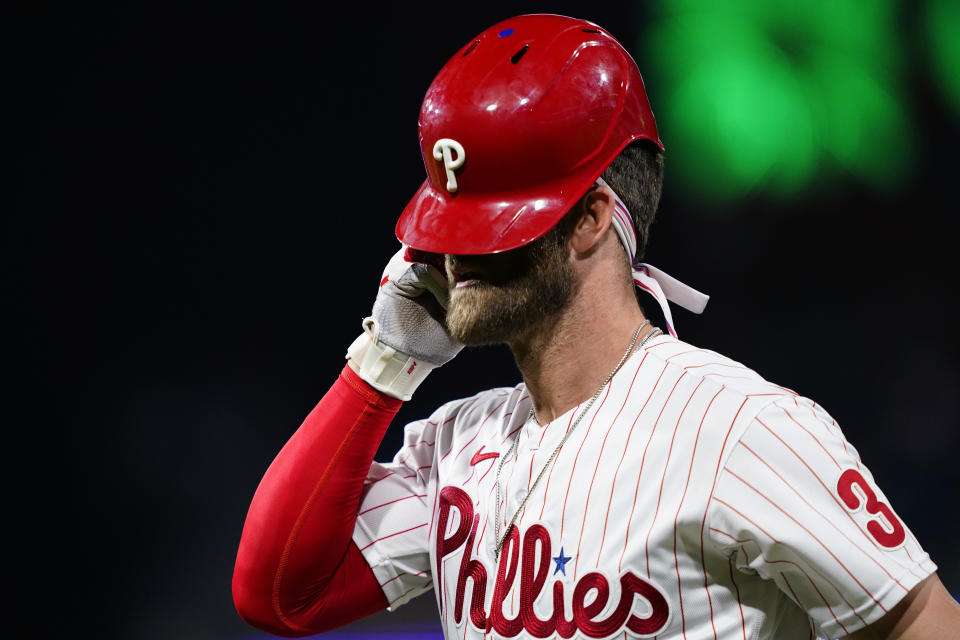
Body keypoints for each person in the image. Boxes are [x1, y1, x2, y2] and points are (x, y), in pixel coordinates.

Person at [232, 14, 959, 639]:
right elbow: (277, 597)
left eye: (490, 221)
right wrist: (381, 365)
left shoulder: (740, 428)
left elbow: (927, 625)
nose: (452, 254)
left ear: (589, 220)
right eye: (448, 222)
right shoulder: (459, 445)